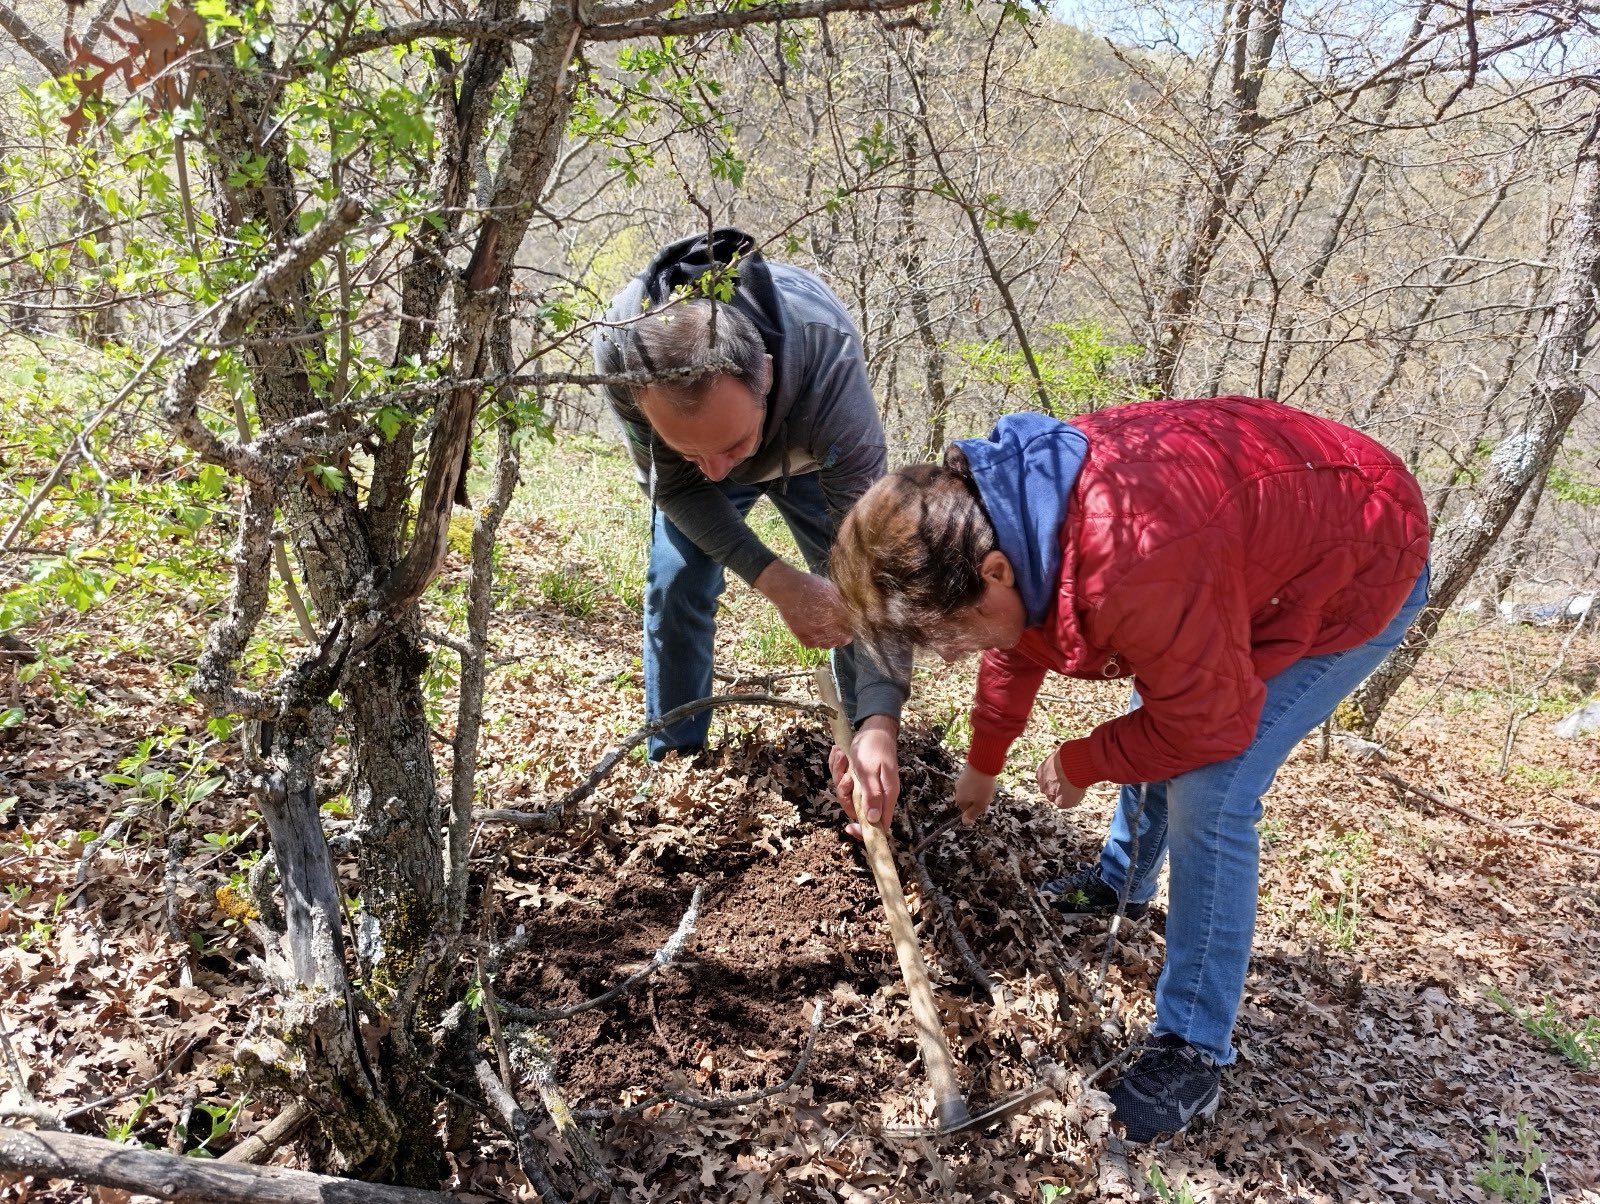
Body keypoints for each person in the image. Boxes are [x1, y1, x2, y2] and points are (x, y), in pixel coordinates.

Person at [827, 396, 1429, 1143]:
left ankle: (1193, 1050)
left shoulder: (1132, 558)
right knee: (1171, 685)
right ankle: (1121, 883)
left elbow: (1206, 721)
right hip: (1230, 551)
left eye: (947, 635)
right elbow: (1016, 646)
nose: (948, 654)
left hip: (1363, 558)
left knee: (1212, 787)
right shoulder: (1012, 521)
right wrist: (983, 765)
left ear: (993, 571)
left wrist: (1085, 759)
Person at [593, 228, 905, 793]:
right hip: (686, 474)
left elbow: (873, 561)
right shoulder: (622, 350)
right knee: (677, 580)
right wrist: (777, 581)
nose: (721, 472)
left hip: (808, 454)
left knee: (849, 590)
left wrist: (881, 718)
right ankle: (676, 765)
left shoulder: (826, 360)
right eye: (695, 450)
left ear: (762, 374)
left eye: (731, 446)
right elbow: (684, 488)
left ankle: (861, 745)